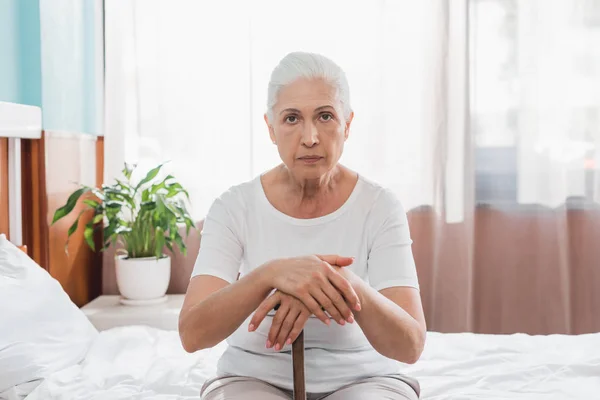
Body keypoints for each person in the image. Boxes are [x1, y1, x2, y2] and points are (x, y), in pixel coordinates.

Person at [179, 51, 426, 400]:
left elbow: (410, 345)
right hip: (251, 378)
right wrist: (271, 275)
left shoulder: (380, 206)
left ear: (347, 124)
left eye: (325, 116)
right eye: (292, 118)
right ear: (271, 128)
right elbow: (192, 334)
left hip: (366, 380)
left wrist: (332, 283)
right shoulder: (234, 206)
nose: (310, 137)